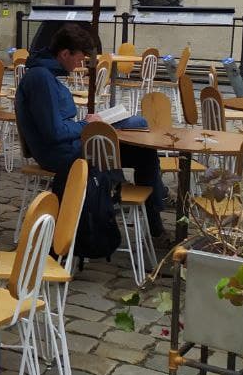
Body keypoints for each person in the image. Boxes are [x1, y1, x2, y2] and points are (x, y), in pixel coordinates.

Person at [15, 23, 167, 237]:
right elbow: (54, 133)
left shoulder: (45, 75)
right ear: (65, 54)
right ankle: (143, 206)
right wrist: (86, 126)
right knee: (136, 125)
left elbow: (56, 126)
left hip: (70, 147)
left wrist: (87, 124)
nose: (81, 65)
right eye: (79, 58)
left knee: (144, 151)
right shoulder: (41, 78)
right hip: (60, 155)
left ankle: (154, 216)